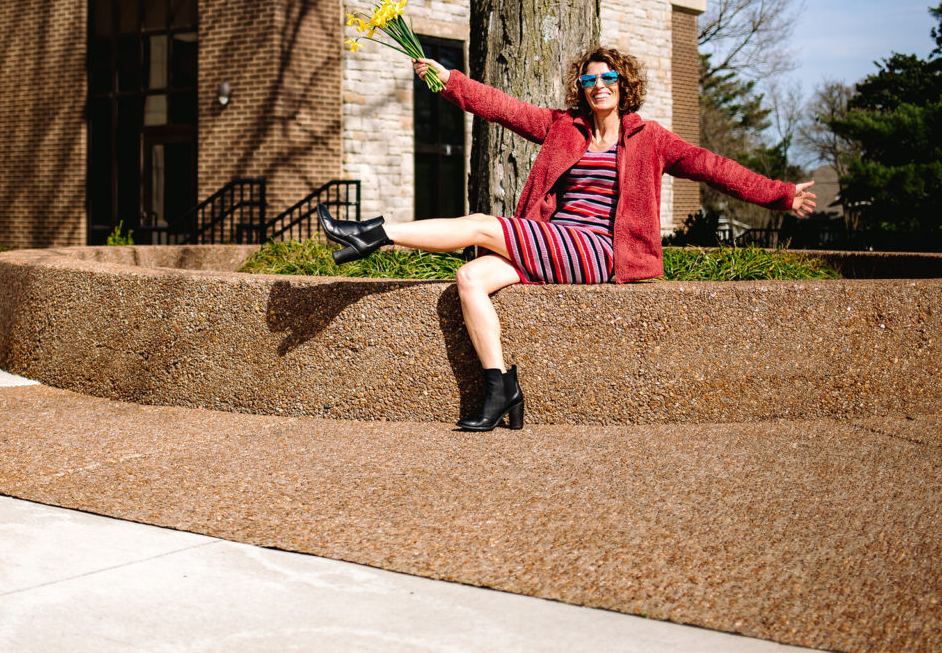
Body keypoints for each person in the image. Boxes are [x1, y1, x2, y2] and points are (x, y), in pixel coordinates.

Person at [318, 46, 816, 433]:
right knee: (469, 277)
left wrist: (782, 194)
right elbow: (503, 108)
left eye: (608, 78)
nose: (599, 85)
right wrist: (449, 81)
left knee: (479, 225)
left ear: (624, 86)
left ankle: (374, 233)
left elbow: (713, 167)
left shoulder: (651, 139)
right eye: (590, 79)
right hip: (554, 241)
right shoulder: (563, 128)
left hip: (602, 251)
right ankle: (500, 387)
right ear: (582, 87)